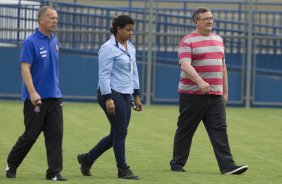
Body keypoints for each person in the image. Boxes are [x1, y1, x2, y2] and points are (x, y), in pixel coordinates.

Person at [170, 7, 248, 175]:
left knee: (220, 129)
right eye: (205, 18)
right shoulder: (187, 41)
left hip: (216, 96)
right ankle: (177, 163)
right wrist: (200, 82)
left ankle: (228, 166)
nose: (209, 21)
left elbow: (223, 67)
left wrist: (224, 91)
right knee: (186, 129)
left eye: (211, 18)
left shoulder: (219, 40)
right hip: (191, 95)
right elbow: (185, 65)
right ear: (195, 21)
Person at [77, 15, 142, 180]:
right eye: (128, 30)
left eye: (132, 30)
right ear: (118, 29)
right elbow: (104, 75)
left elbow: (134, 72)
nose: (131, 33)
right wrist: (108, 98)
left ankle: (87, 158)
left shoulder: (131, 47)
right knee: (121, 132)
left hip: (126, 92)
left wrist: (136, 95)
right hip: (110, 92)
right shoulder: (108, 48)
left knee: (117, 133)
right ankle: (123, 169)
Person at [5, 6, 67, 181]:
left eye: (56, 18)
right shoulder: (30, 42)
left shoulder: (55, 41)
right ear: (41, 20)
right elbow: (25, 69)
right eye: (52, 18)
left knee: (55, 134)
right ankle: (12, 163)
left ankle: (54, 172)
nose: (55, 21)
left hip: (54, 96)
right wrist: (32, 93)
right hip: (35, 99)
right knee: (31, 135)